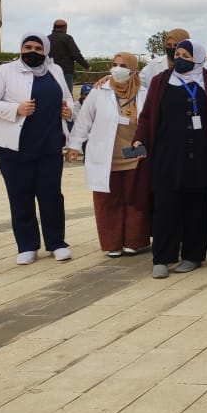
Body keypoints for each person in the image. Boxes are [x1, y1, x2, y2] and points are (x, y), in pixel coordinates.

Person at [0, 33, 75, 265]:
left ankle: (57, 243)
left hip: (49, 146)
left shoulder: (55, 71)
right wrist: (16, 109)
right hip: (13, 148)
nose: (32, 51)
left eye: (38, 48)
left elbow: (68, 98)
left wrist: (69, 111)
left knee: (52, 196)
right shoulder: (5, 71)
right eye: (27, 47)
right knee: (20, 197)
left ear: (46, 51)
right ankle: (27, 246)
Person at [132, 39, 207, 279]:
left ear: (198, 59)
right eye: (178, 54)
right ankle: (162, 257)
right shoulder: (160, 80)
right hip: (168, 155)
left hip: (200, 155)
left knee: (196, 206)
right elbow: (147, 115)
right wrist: (140, 138)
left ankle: (193, 255)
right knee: (165, 207)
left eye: (186, 55)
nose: (180, 59)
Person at [65, 52, 150, 258]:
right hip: (106, 157)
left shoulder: (144, 92)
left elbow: (150, 121)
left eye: (123, 65)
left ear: (133, 70)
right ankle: (112, 243)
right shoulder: (99, 91)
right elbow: (84, 119)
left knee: (135, 200)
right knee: (107, 202)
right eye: (114, 64)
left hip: (135, 157)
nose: (117, 68)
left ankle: (134, 241)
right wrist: (74, 145)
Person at [47, 19, 89, 92]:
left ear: (54, 27)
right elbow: (76, 54)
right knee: (67, 94)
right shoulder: (67, 38)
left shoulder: (47, 39)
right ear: (65, 28)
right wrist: (86, 66)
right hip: (65, 72)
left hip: (50, 71)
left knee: (52, 92)